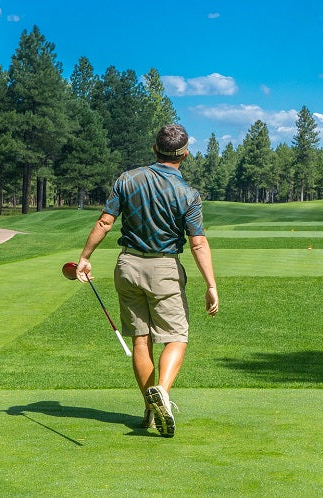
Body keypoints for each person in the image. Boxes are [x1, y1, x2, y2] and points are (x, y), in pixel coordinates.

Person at [76, 124, 219, 438]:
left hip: (127, 266)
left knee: (141, 340)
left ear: (155, 150)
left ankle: (150, 409)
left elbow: (105, 221)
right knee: (176, 337)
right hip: (163, 269)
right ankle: (163, 394)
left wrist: (85, 256)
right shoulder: (189, 194)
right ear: (185, 154)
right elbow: (197, 243)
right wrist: (211, 285)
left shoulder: (128, 179)